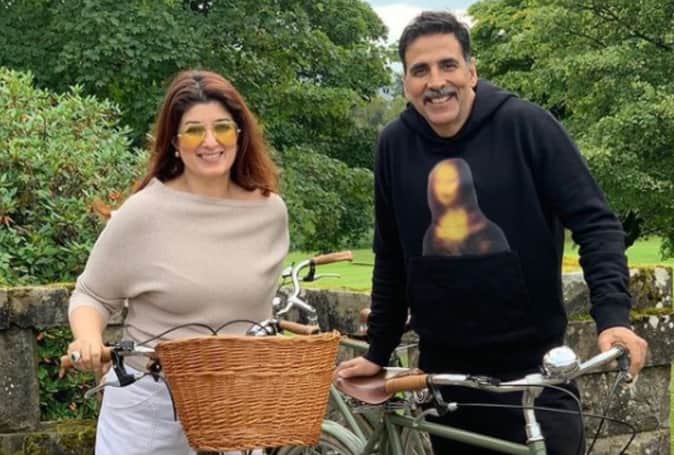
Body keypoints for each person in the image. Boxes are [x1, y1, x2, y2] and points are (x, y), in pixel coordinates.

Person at [335, 11, 648, 454]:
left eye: (448, 65)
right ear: (406, 83)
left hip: (535, 375)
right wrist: (379, 352)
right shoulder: (394, 144)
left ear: (472, 71)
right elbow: (391, 256)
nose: (436, 82)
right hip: (445, 382)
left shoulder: (527, 126)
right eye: (420, 70)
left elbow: (596, 224)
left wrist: (613, 318)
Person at [67, 70, 289, 455]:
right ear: (174, 142)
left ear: (240, 134)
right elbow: (91, 295)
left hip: (232, 408)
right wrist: (88, 338)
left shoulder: (270, 213)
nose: (210, 142)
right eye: (193, 131)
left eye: (222, 128)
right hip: (149, 406)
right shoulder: (143, 213)